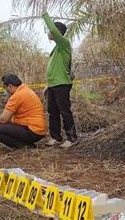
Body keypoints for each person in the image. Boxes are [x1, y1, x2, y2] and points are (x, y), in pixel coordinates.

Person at [0, 74, 46, 149]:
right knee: (5, 124)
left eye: (5, 88)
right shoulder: (25, 89)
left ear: (10, 86)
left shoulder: (17, 96)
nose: (5, 91)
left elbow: (3, 119)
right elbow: (8, 118)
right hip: (38, 130)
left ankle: (23, 146)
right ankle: (27, 144)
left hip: (32, 131)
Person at [42, 12, 77, 148]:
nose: (48, 33)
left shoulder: (64, 44)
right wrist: (48, 85)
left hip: (62, 84)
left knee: (64, 111)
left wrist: (45, 15)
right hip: (53, 84)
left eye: (51, 31)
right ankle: (56, 137)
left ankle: (72, 138)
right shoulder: (56, 49)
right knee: (53, 111)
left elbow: (53, 30)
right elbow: (56, 69)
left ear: (57, 32)